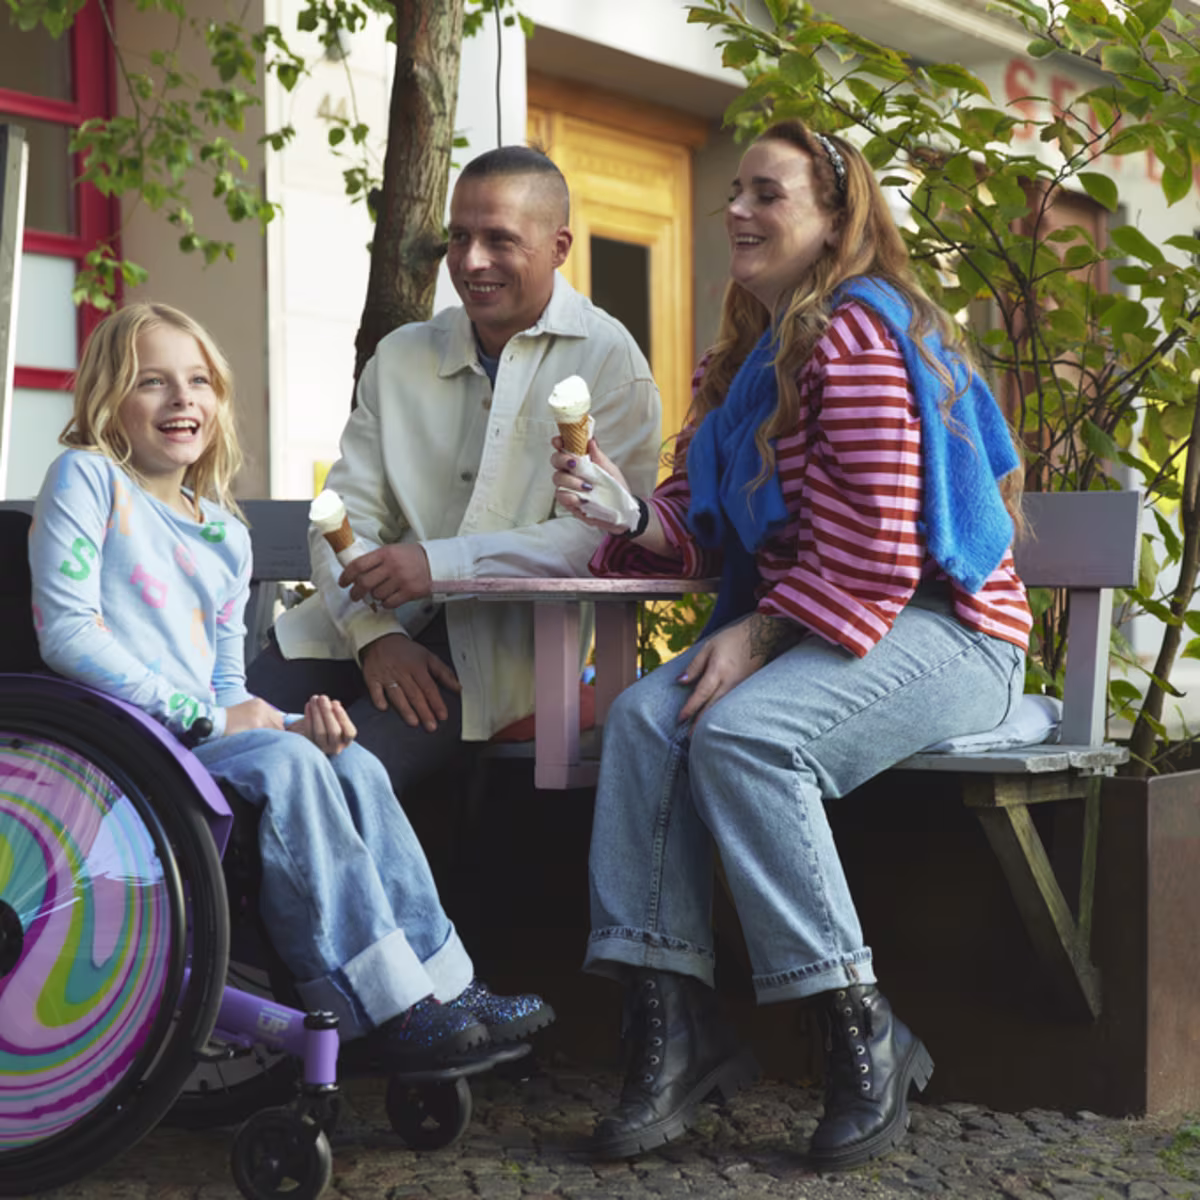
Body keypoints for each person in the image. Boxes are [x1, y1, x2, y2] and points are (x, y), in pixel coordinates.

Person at [551, 120, 1032, 1168]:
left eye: (766, 193)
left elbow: (881, 543)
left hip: (947, 633)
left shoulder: (858, 334)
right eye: (734, 191)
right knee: (642, 719)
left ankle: (866, 1032)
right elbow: (694, 530)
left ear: (832, 219)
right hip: (826, 625)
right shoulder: (741, 363)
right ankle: (676, 1029)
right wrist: (625, 512)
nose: (735, 211)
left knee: (745, 739)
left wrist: (758, 637)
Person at [29, 302, 553, 1073]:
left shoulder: (222, 533)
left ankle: (446, 983)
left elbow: (227, 682)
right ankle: (377, 1003)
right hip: (123, 748)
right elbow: (68, 634)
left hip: (200, 742)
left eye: (199, 380)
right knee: (290, 766)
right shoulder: (90, 480)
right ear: (110, 401)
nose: (183, 399)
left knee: (351, 761)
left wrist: (285, 722)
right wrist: (216, 721)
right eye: (153, 383)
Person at [246, 145, 661, 803]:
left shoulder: (612, 363)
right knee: (219, 760)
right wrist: (374, 634)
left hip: (493, 654)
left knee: (336, 787)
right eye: (460, 237)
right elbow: (344, 509)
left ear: (559, 246)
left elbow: (595, 541)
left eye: (500, 239)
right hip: (347, 628)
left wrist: (439, 564)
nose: (471, 262)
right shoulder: (401, 356)